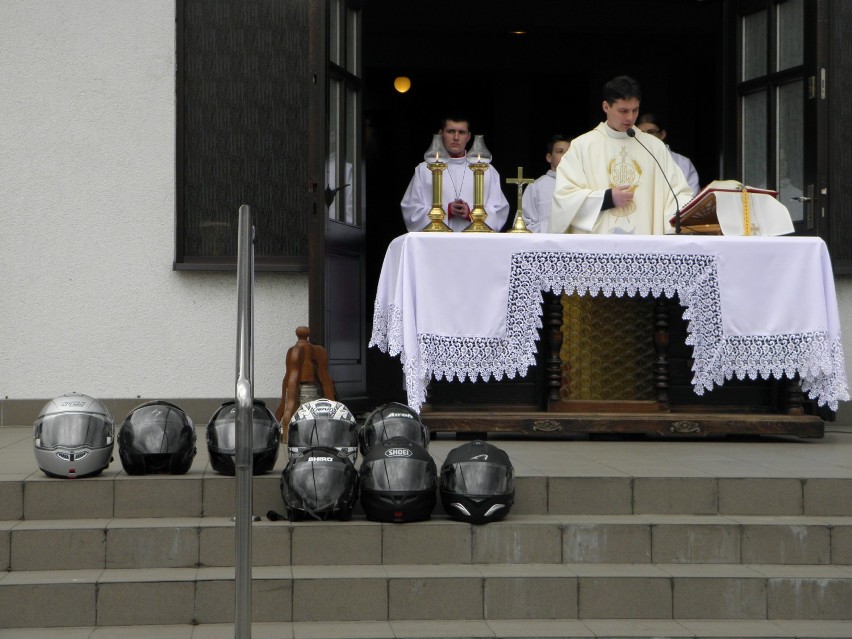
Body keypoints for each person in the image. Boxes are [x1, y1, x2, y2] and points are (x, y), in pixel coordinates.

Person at [549, 76, 693, 235]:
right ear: (606, 107)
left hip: (645, 245)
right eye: (623, 111)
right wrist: (607, 198)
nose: (630, 118)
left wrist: (672, 224)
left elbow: (679, 194)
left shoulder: (654, 147)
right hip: (598, 248)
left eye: (635, 110)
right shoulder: (582, 146)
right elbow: (564, 199)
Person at [401, 115, 510, 232]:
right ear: (441, 134)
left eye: (461, 132)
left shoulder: (487, 170)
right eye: (451, 131)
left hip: (475, 242)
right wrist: (446, 210)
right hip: (437, 243)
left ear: (468, 136)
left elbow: (499, 209)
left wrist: (471, 214)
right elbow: (411, 209)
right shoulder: (424, 169)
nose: (456, 137)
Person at [636, 112, 700, 196]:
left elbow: (691, 196)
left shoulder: (682, 163)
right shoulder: (629, 160)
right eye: (641, 133)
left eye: (651, 132)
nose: (646, 136)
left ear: (662, 134)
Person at [521, 134, 571, 233]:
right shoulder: (536, 187)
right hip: (545, 246)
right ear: (549, 157)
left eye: (569, 152)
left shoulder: (582, 185)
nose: (566, 156)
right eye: (560, 152)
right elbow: (525, 226)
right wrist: (555, 227)